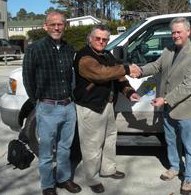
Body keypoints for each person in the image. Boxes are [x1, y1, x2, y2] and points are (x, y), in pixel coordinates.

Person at [135, 17, 191, 195]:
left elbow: (189, 85)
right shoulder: (168, 50)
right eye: (173, 32)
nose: (175, 35)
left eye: (179, 32)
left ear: (188, 32)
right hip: (169, 110)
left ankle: (189, 177)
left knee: (190, 146)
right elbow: (156, 66)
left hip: (187, 110)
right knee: (171, 141)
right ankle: (175, 167)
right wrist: (140, 71)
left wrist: (165, 99)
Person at [73, 24, 140, 194]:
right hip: (91, 107)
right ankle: (92, 177)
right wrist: (127, 68)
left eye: (105, 39)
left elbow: (117, 76)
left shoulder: (106, 55)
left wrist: (129, 91)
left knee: (110, 139)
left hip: (108, 105)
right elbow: (101, 73)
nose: (101, 42)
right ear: (90, 38)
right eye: (98, 38)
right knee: (92, 145)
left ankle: (108, 169)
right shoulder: (84, 57)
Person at [22, 12, 81, 195]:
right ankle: (47, 185)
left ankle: (63, 179)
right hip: (47, 107)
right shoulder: (35, 49)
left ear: (65, 26)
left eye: (60, 24)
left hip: (68, 107)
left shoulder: (68, 48)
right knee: (46, 151)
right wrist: (38, 102)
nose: (57, 27)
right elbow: (27, 79)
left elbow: (73, 76)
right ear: (45, 26)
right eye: (53, 24)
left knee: (65, 148)